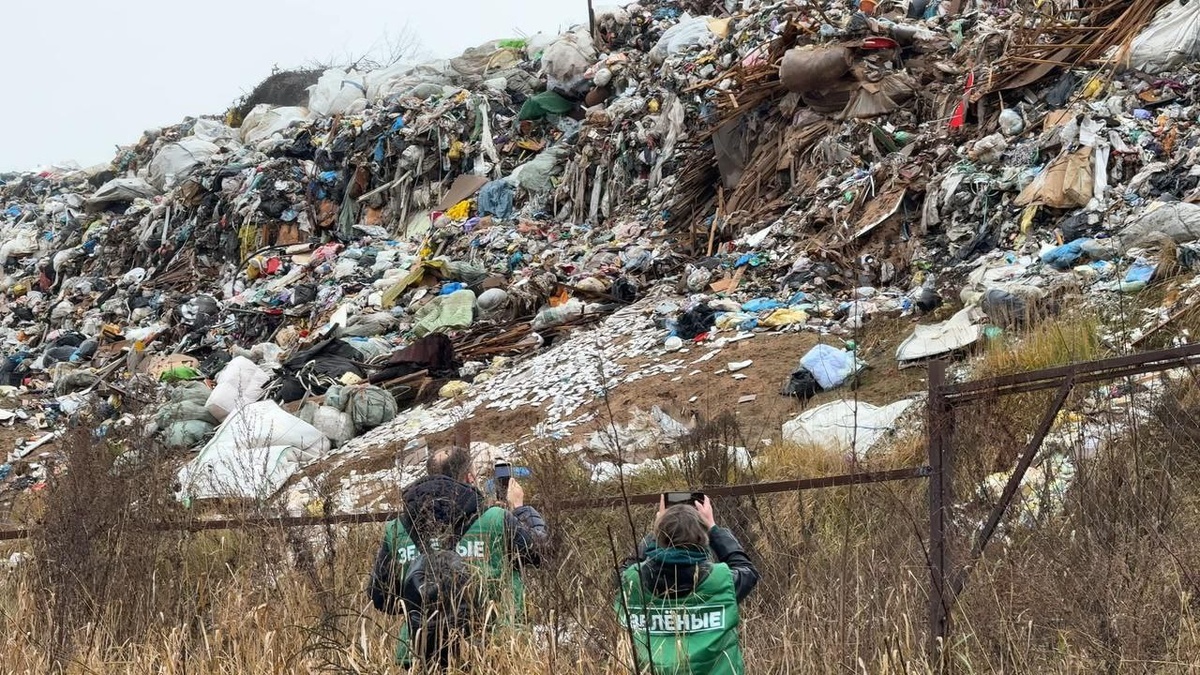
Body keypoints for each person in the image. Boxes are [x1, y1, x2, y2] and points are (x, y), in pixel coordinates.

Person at [368, 446, 548, 670]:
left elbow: (380, 597)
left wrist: (423, 600)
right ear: (470, 478)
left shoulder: (397, 529)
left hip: (420, 653)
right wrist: (520, 509)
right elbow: (541, 553)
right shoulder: (495, 520)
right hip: (490, 651)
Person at [615, 496, 759, 675]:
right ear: (702, 537)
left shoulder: (631, 581)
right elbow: (747, 570)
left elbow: (625, 568)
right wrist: (713, 528)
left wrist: (659, 529)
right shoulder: (722, 581)